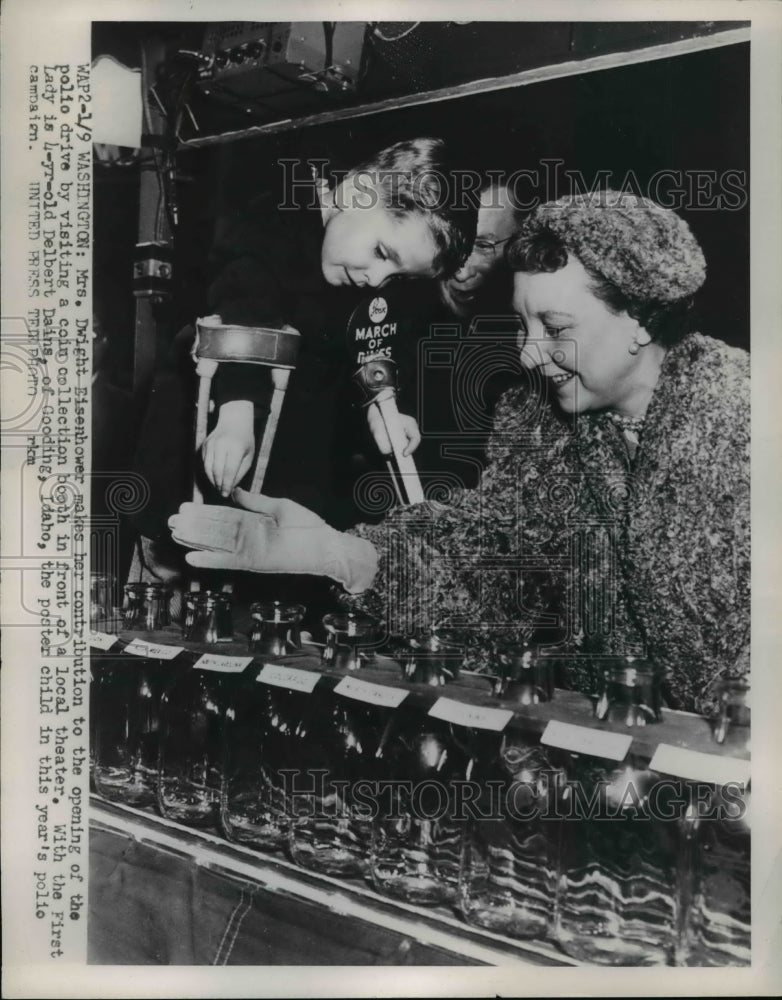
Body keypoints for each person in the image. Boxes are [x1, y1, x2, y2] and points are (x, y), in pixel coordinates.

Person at [168, 191, 749, 713]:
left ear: (641, 319)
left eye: (554, 326)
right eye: (523, 325)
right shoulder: (537, 422)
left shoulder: (744, 419)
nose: (528, 353)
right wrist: (341, 555)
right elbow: (492, 577)